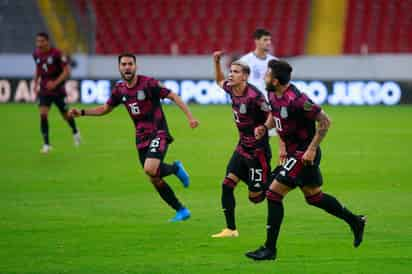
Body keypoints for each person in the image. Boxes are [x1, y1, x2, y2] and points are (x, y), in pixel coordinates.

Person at [245, 60, 366, 260]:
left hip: (303, 153)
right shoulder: (273, 94)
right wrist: (266, 128)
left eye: (267, 75)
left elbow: (325, 122)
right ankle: (355, 221)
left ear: (275, 80)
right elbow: (275, 117)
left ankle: (269, 249)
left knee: (274, 194)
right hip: (294, 152)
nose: (264, 77)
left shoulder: (298, 100)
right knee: (314, 197)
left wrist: (311, 149)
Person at [69, 53, 199, 222]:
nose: (127, 67)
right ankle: (181, 210)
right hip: (141, 137)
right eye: (124, 64)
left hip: (159, 131)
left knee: (150, 169)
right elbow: (105, 109)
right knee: (155, 178)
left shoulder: (148, 83)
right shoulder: (119, 90)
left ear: (135, 66)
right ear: (119, 67)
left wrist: (190, 117)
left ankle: (175, 169)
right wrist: (82, 112)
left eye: (130, 64)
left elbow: (173, 96)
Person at [211, 51, 272, 238]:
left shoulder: (255, 96)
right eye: (231, 71)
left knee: (256, 198)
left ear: (245, 76)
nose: (231, 74)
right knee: (227, 184)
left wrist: (263, 126)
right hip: (242, 147)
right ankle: (231, 229)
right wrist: (217, 62)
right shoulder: (231, 88)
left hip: (258, 152)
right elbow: (218, 81)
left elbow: (272, 113)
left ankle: (272, 181)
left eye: (236, 72)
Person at [33, 32, 80, 153]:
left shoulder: (57, 54)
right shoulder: (36, 54)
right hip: (44, 90)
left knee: (66, 115)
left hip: (58, 90)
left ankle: (75, 131)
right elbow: (38, 68)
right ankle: (46, 144)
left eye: (41, 41)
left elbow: (66, 71)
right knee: (43, 114)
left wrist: (55, 83)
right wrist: (35, 83)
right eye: (37, 41)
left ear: (47, 41)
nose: (39, 44)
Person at [240, 28, 278, 136]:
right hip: (252, 106)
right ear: (256, 41)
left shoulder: (275, 62)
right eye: (265, 40)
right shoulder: (245, 61)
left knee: (267, 137)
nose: (268, 43)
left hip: (270, 106)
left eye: (269, 40)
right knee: (252, 139)